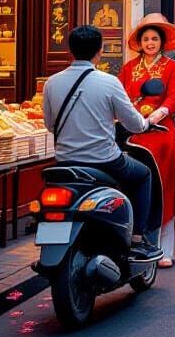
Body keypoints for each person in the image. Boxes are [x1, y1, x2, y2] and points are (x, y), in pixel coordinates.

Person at [42, 25, 161, 261]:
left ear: (70, 50)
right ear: (100, 51)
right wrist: (147, 123)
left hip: (65, 161)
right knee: (143, 174)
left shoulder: (52, 83)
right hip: (104, 160)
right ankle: (137, 238)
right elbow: (135, 124)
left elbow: (50, 125)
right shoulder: (108, 82)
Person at [119, 13, 175, 268]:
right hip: (133, 132)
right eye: (146, 38)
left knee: (164, 187)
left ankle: (165, 248)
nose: (150, 43)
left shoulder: (171, 68)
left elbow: (173, 99)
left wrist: (156, 116)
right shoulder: (128, 69)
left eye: (154, 38)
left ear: (162, 42)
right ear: (139, 43)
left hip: (162, 132)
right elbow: (120, 98)